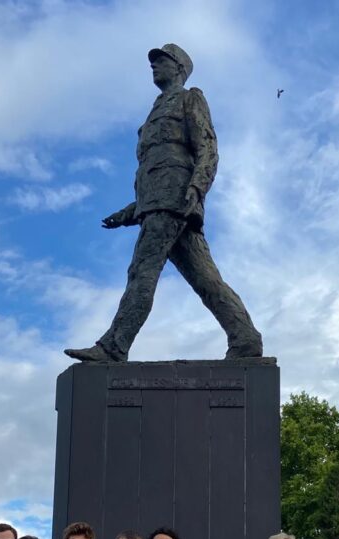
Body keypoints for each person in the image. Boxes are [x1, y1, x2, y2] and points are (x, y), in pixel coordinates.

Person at [64, 44, 262, 363]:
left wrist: (198, 187)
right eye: (153, 63)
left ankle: (114, 347)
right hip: (159, 203)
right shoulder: (155, 109)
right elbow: (155, 171)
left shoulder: (189, 97)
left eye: (161, 62)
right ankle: (245, 338)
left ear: (180, 68)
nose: (154, 67)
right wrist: (129, 212)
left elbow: (207, 148)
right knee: (206, 279)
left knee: (142, 272)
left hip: (175, 202)